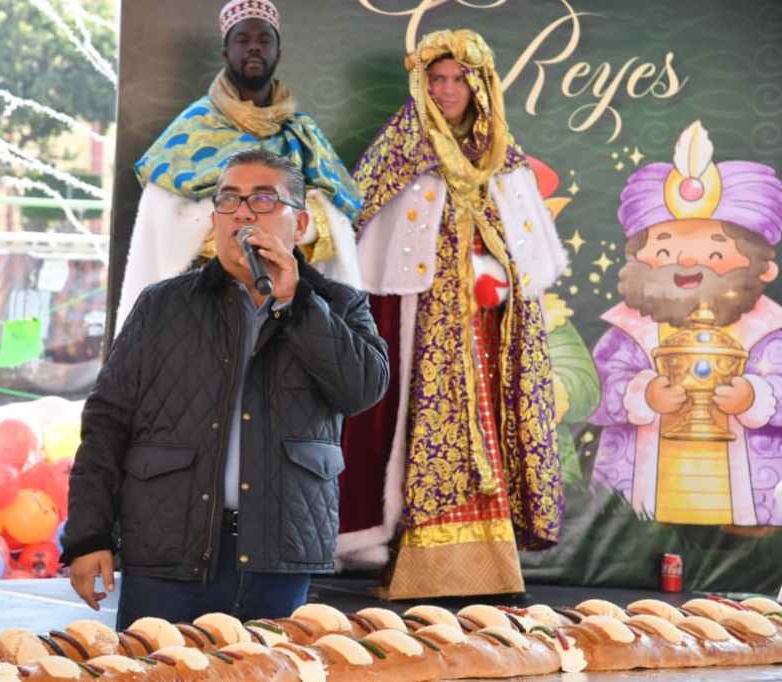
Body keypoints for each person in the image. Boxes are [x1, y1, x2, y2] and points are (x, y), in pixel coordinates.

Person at [61, 149, 389, 628]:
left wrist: (296, 303)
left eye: (262, 200)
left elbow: (361, 390)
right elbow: (107, 423)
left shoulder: (337, 305)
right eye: (229, 200)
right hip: (168, 548)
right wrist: (89, 537)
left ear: (299, 225)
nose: (241, 213)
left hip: (279, 552)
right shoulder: (163, 305)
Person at [337, 29, 566, 599]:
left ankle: (492, 566)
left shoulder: (501, 155)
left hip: (490, 325)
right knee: (424, 429)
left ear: (480, 85)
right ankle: (420, 565)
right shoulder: (400, 146)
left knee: (491, 428)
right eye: (435, 79)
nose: (445, 90)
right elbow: (360, 218)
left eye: (457, 79)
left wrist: (492, 267)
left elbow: (524, 251)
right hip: (423, 324)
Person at [116, 0, 362, 335]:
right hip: (205, 305)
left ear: (279, 51)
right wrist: (238, 225)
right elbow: (161, 220)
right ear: (225, 52)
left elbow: (335, 221)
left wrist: (293, 227)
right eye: (243, 40)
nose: (254, 48)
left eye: (264, 39)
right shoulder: (193, 128)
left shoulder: (302, 133)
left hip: (287, 308)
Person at [591, 120, 782, 528]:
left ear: (763, 268)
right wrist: (641, 395)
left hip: (751, 520)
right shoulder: (628, 333)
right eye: (665, 249)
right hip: (637, 516)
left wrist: (756, 397)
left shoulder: (771, 333)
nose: (688, 262)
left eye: (714, 253)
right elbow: (594, 392)